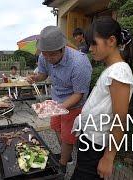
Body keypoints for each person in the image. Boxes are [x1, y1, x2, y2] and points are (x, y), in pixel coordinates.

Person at [71, 17, 133, 179]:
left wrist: (109, 156)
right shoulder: (111, 68)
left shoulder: (120, 72)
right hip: (89, 140)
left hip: (96, 146)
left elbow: (120, 119)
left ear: (111, 41)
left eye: (94, 43)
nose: (90, 48)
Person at [27, 26, 92, 173]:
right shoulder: (44, 57)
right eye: (45, 55)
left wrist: (59, 108)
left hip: (74, 104)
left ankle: (62, 165)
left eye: (52, 55)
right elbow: (43, 74)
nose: (48, 59)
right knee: (56, 127)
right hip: (57, 99)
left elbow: (79, 94)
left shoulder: (79, 63)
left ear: (63, 48)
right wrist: (36, 78)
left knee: (68, 136)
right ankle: (66, 155)